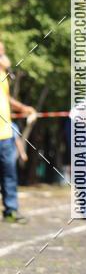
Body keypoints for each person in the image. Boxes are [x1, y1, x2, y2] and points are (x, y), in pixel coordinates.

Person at [0, 40, 36, 224]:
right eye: (1, 53)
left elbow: (6, 98)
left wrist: (23, 107)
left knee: (9, 173)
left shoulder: (3, 75)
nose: (4, 57)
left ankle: (11, 210)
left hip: (5, 134)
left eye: (3, 52)